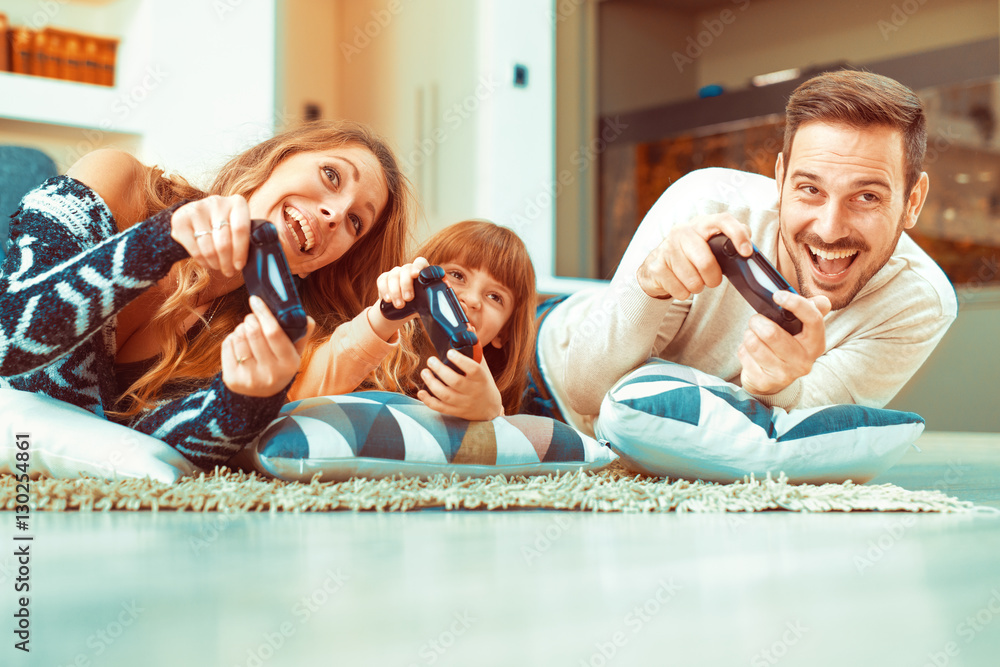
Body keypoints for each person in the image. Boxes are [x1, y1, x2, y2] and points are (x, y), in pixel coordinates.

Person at [536, 69, 958, 435]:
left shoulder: (919, 301)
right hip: (535, 353)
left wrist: (775, 386)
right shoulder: (704, 203)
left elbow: (801, 428)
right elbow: (584, 391)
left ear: (913, 201)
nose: (830, 229)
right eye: (809, 189)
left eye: (866, 197)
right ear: (779, 178)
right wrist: (650, 286)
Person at [0, 120, 412, 468]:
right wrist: (161, 242)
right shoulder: (122, 181)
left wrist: (242, 400)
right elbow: (10, 340)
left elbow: (145, 444)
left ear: (316, 263)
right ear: (278, 158)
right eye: (331, 175)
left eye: (356, 222)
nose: (336, 214)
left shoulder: (247, 335)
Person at [288, 219, 537, 422]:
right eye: (457, 275)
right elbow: (302, 398)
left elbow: (506, 447)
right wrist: (384, 316)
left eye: (495, 297)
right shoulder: (380, 346)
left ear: (504, 333)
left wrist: (492, 411)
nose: (472, 300)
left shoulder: (492, 400)